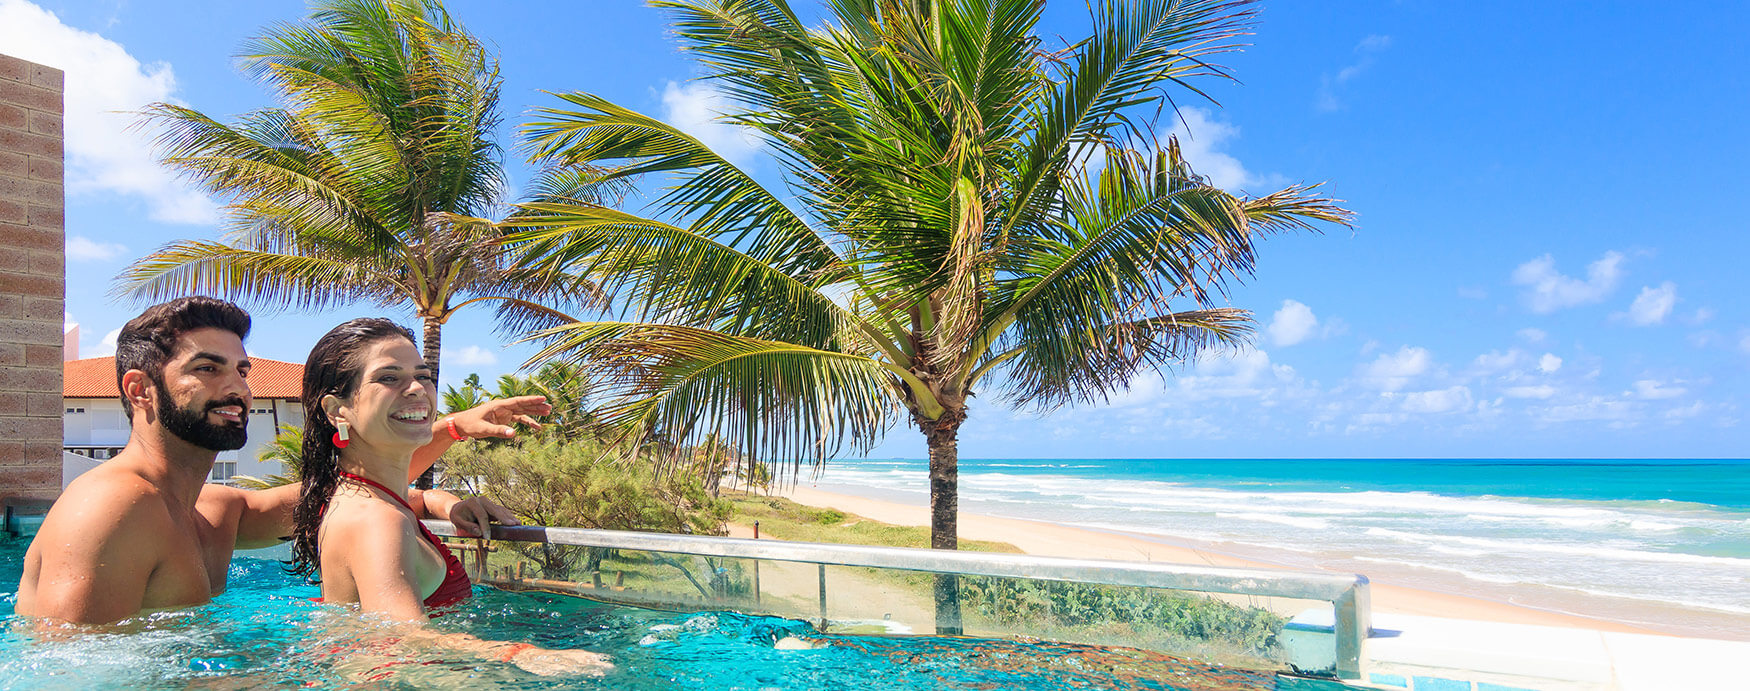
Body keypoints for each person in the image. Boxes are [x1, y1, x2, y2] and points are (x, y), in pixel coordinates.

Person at [14, 297, 545, 625]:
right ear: (141, 390)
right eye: (208, 368)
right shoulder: (112, 507)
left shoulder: (213, 510)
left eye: (242, 371)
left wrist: (440, 486)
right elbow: (69, 670)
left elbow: (352, 487)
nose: (237, 388)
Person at [290, 317, 610, 675]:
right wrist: (521, 654)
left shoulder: (365, 497)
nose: (416, 389)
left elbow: (417, 499)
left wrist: (448, 504)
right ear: (337, 410)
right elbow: (400, 637)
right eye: (389, 377)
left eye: (423, 376)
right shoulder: (377, 520)